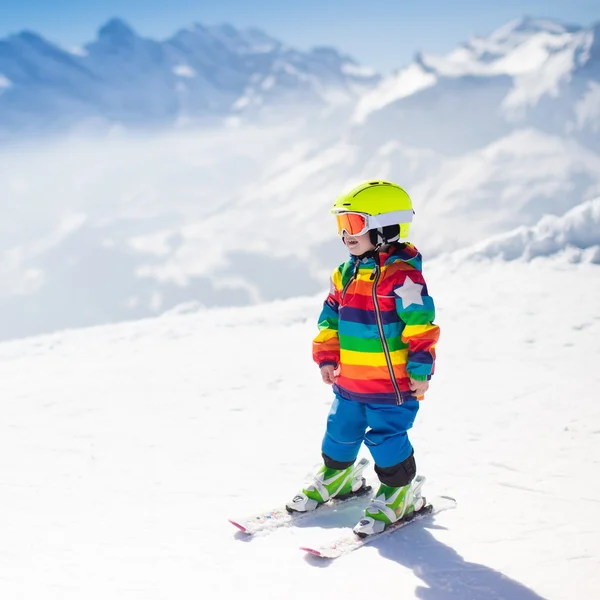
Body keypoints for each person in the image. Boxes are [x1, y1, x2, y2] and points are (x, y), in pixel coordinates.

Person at [286, 180, 440, 537]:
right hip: (350, 383)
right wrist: (326, 356)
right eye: (341, 226)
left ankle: (399, 492)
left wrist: (420, 368)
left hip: (392, 386)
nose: (346, 235)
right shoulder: (343, 274)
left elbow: (421, 325)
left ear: (386, 227)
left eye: (354, 224)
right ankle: (338, 477)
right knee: (339, 432)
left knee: (387, 439)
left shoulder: (403, 277)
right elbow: (329, 318)